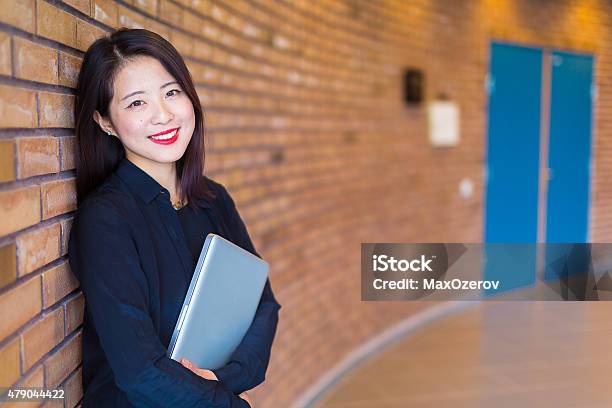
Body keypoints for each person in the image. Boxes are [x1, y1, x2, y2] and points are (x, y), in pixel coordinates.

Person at [68, 28, 281, 407]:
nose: (163, 115)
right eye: (137, 103)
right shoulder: (105, 219)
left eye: (171, 93)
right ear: (104, 122)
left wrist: (223, 378)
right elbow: (138, 371)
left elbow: (262, 306)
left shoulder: (213, 200)